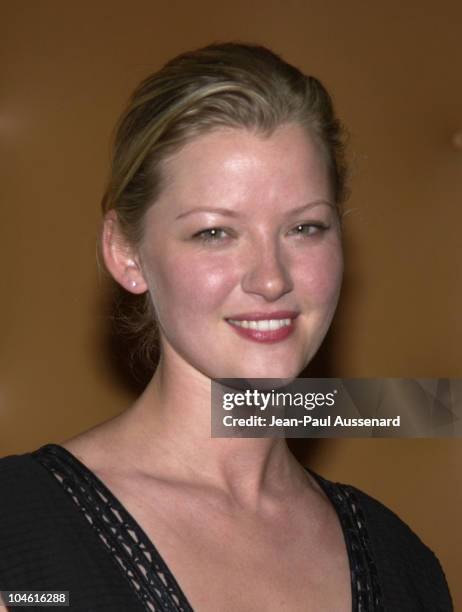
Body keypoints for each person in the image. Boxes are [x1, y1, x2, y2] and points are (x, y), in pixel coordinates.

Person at [0, 43, 452, 611]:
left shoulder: (402, 564)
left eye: (306, 228)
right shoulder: (19, 540)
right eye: (215, 233)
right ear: (126, 253)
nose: (270, 279)